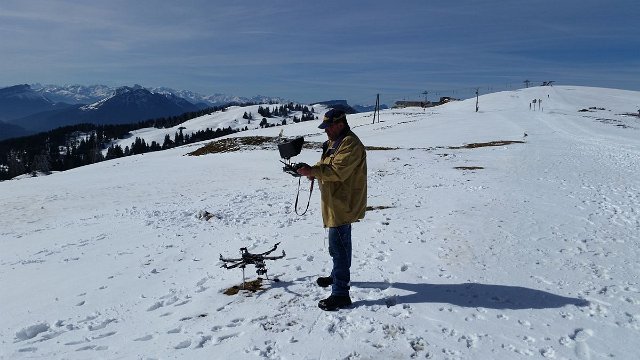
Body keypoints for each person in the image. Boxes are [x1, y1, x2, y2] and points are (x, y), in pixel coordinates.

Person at [297, 108, 367, 311]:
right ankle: (337, 275)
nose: (326, 131)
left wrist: (313, 171)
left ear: (340, 124)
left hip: (344, 203)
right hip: (333, 201)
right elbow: (324, 166)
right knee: (336, 246)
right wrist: (312, 172)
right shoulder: (333, 142)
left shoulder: (350, 144)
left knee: (340, 248)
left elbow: (337, 171)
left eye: (328, 127)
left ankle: (340, 293)